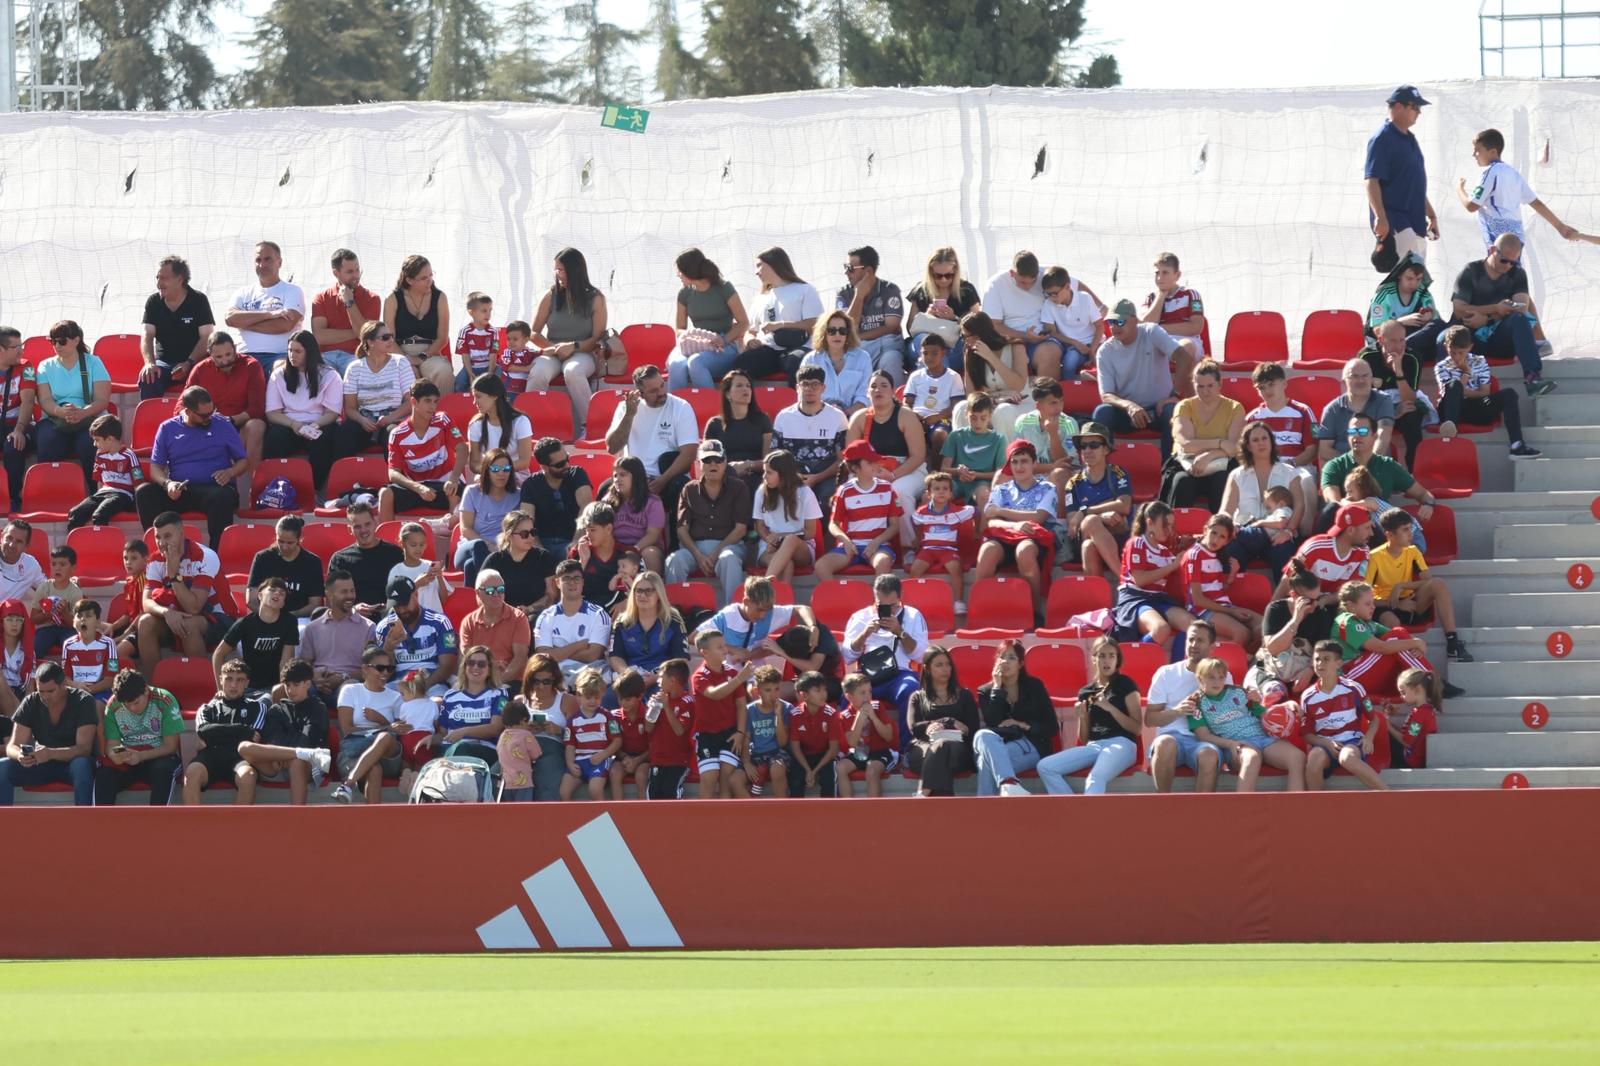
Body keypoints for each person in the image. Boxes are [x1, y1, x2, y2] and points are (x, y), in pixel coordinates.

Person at [134, 386, 247, 549]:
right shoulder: (167, 428)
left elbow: (243, 461)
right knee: (144, 492)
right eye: (204, 415)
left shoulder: (223, 424)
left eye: (212, 412)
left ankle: (216, 554)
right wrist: (167, 484)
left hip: (214, 489)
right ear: (187, 411)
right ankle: (157, 549)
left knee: (223, 498)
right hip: (181, 490)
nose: (210, 418)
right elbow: (156, 468)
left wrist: (230, 472)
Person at [1448, 233, 1558, 396]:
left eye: (1513, 262)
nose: (1508, 266)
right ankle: (1450, 390)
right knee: (1444, 337)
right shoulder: (1471, 271)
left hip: (1499, 340)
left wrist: (1487, 317)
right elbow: (1459, 309)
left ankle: (1533, 379)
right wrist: (1495, 308)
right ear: (1492, 250)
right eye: (1504, 260)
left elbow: (1521, 308)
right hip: (1470, 341)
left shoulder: (1517, 273)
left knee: (1519, 320)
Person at [1036, 636, 1143, 795]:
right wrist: (1082, 716)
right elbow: (1084, 738)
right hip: (1094, 745)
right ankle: (1073, 808)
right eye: (1102, 656)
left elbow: (1137, 728)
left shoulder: (1126, 683)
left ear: (1117, 660)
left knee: (1095, 777)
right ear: (1094, 659)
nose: (1107, 661)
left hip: (1122, 744)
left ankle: (1088, 811)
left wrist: (1110, 708)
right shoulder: (1085, 692)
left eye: (1111, 656)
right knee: (1045, 767)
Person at [133, 511, 234, 677]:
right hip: (178, 614)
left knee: (188, 624)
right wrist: (167, 613)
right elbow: (146, 602)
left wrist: (173, 575)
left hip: (220, 617)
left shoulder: (205, 556)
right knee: (145, 622)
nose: (162, 543)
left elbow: (194, 607)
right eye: (158, 537)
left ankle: (201, 683)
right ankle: (153, 686)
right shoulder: (155, 559)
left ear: (181, 533)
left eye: (167, 536)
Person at [1091, 300, 1195, 458]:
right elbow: (1106, 395)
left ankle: (1169, 467)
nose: (1115, 327)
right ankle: (1105, 468)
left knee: (1172, 411)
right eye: (1111, 322)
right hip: (1127, 413)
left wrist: (1174, 395)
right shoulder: (1105, 351)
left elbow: (1184, 358)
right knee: (1102, 413)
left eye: (1120, 321)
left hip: (1158, 409)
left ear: (1134, 320)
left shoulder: (1151, 332)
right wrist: (1129, 406)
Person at [1186, 656, 1306, 792]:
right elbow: (1204, 736)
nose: (1217, 682)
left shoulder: (1239, 692)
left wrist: (1285, 706)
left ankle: (1295, 804)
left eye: (1221, 677)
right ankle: (1242, 805)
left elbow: (1264, 714)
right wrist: (1231, 744)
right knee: (1252, 758)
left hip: (1263, 739)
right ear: (1200, 678)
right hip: (1236, 744)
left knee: (1297, 757)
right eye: (1211, 677)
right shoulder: (1196, 703)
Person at [1457, 126, 1579, 253]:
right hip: (1516, 235)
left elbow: (1471, 205)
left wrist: (1460, 189)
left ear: (1492, 151)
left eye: (1477, 150)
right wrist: (1560, 226)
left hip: (1498, 234)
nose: (1473, 155)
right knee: (1511, 266)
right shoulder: (1513, 173)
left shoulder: (1490, 172)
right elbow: (1535, 202)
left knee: (1497, 265)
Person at [527, 248, 614, 425]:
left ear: (575, 271)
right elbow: (533, 333)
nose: (556, 274)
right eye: (555, 269)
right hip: (552, 352)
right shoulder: (550, 295)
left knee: (573, 371)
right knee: (538, 373)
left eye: (561, 270)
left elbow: (597, 339)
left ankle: (590, 425)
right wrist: (554, 348)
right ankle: (530, 427)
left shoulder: (596, 298)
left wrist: (573, 347)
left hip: (583, 353)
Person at [975, 439, 1057, 614]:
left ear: (1034, 463)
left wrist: (1002, 511)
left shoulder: (1048, 488)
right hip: (1005, 537)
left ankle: (1034, 612)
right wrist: (1016, 525)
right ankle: (979, 610)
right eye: (1014, 462)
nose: (1019, 467)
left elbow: (1038, 517)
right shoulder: (1001, 489)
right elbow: (991, 520)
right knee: (987, 550)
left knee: (1024, 550)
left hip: (1034, 539)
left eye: (1024, 461)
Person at [605, 364, 699, 518]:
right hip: (633, 477)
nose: (661, 392)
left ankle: (676, 534)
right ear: (640, 394)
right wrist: (629, 415)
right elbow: (612, 447)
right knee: (605, 490)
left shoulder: (681, 407)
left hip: (668, 475)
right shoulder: (626, 408)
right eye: (653, 391)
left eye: (662, 385)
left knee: (680, 486)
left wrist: (662, 480)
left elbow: (689, 453)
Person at [1317, 413, 1437, 533]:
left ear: (1375, 436)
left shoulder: (1388, 465)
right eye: (1352, 431)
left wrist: (1428, 505)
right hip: (1349, 529)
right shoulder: (1334, 466)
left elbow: (1423, 494)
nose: (1357, 435)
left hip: (1380, 530)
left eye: (1363, 431)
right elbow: (1334, 504)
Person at [234, 658, 332, 805]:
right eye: (287, 685)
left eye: (296, 685)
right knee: (244, 747)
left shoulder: (318, 708)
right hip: (277, 763)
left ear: (307, 684)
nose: (291, 690)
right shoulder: (277, 709)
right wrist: (283, 753)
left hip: (308, 764)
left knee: (297, 761)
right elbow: (273, 738)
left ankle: (297, 815)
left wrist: (284, 753)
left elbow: (309, 739)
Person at [842, 573, 928, 740]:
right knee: (848, 691)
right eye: (881, 605)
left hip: (900, 673)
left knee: (911, 690)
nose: (888, 610)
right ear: (874, 597)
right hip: (868, 675)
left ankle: (907, 747)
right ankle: (849, 748)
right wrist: (864, 634)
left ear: (900, 597)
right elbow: (847, 656)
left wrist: (900, 632)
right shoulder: (860, 617)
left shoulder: (913, 615)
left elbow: (921, 656)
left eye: (893, 606)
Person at [665, 439, 751, 604]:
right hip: (694, 548)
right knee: (674, 560)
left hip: (728, 546)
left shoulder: (738, 487)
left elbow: (740, 529)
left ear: (725, 462)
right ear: (699, 463)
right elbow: (682, 530)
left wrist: (715, 553)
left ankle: (733, 612)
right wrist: (698, 556)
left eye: (718, 459)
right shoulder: (689, 489)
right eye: (707, 460)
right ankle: (673, 613)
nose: (713, 464)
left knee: (729, 559)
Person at [1145, 619, 1227, 792]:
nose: (1193, 645)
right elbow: (1150, 719)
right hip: (1171, 736)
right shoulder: (1166, 673)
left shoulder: (1223, 676)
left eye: (1200, 640)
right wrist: (1177, 711)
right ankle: (1163, 803)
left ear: (1212, 647)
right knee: (1165, 744)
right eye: (1190, 639)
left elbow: (1228, 716)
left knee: (1209, 755)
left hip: (1204, 741)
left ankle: (1200, 809)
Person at [1435, 324, 1539, 458]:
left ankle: (1517, 445)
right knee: (1454, 385)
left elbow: (1485, 392)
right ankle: (1450, 437)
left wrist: (1465, 389)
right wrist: (1466, 373)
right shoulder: (1441, 366)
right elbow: (1451, 395)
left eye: (1461, 352)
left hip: (1476, 406)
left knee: (1509, 393)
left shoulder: (1479, 361)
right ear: (1446, 346)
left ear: (1470, 347)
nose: (1456, 357)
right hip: (1451, 410)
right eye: (1452, 352)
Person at [0, 662, 98, 805]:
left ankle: (84, 817)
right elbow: (12, 746)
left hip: (72, 764)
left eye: (50, 691)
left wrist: (51, 753)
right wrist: (20, 756)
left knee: (81, 764)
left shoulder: (84, 701)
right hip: (42, 763)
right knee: (2, 767)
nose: (45, 697)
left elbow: (84, 749)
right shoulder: (31, 702)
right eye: (41, 691)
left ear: (63, 685)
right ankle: (4, 818)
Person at [848, 370, 929, 540]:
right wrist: (870, 473)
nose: (878, 390)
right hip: (869, 468)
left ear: (893, 391)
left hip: (908, 468)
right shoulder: (859, 418)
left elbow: (918, 456)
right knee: (851, 487)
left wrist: (892, 475)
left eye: (884, 386)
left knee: (899, 490)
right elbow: (851, 457)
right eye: (874, 386)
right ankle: (857, 542)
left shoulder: (906, 415)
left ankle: (908, 545)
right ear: (867, 392)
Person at [971, 639, 1056, 796]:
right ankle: (1009, 784)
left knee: (986, 761)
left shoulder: (1034, 686)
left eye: (1011, 657)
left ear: (1020, 664)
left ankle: (985, 808)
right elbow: (993, 722)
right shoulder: (986, 691)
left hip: (1032, 745)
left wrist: (1022, 725)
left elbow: (1052, 727)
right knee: (982, 736)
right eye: (1002, 657)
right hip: (1000, 745)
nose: (1005, 661)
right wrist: (997, 688)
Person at [182, 331, 267, 488]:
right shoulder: (200, 369)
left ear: (235, 349)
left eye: (229, 354)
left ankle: (255, 487)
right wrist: (199, 420)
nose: (225, 361)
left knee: (257, 425)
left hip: (239, 425)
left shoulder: (251, 365)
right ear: (210, 354)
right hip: (207, 424)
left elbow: (257, 408)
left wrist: (230, 420)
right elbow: (183, 404)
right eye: (219, 357)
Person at [1301, 639, 1388, 792]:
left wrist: (1368, 738)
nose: (1320, 663)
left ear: (1339, 663)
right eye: (1317, 659)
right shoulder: (1308, 696)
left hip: (1351, 741)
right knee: (1313, 760)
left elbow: (1374, 719)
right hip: (1324, 744)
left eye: (1326, 659)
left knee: (1347, 758)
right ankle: (1317, 805)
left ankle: (1388, 794)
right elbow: (1307, 735)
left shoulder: (1354, 688)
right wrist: (1327, 743)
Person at [179, 658, 270, 805]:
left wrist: (216, 733)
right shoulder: (207, 708)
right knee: (191, 773)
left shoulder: (258, 707)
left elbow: (253, 738)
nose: (233, 685)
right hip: (210, 756)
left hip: (239, 757)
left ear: (247, 683)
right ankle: (193, 820)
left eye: (239, 680)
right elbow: (204, 731)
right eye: (229, 679)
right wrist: (241, 729)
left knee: (248, 776)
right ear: (221, 680)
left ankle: (237, 821)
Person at [1364, 85, 1439, 262]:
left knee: (1416, 276)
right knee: (1405, 275)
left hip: (1416, 223)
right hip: (1396, 221)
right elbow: (1371, 180)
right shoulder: (1382, 138)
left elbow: (1414, 184)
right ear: (1398, 106)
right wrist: (1380, 217)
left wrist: (1431, 215)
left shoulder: (1410, 139)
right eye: (1415, 106)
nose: (1419, 112)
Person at [1220, 421, 1306, 573]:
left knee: (1284, 553)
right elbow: (1226, 511)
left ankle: (1284, 589)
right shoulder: (1237, 475)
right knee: (1229, 551)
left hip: (1279, 533)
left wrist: (1288, 532)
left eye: (1264, 438)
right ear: (1248, 446)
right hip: (1246, 534)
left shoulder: (1290, 472)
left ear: (1271, 442)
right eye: (1255, 440)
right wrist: (1229, 527)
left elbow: (1299, 505)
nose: (1261, 443)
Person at [262, 329, 344, 488]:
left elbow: (332, 413)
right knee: (274, 438)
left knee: (324, 440)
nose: (292, 355)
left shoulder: (329, 375)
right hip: (289, 424)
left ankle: (314, 489)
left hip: (319, 423)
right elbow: (272, 413)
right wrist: (294, 425)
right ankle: (275, 488)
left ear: (310, 352)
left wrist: (314, 425)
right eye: (290, 350)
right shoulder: (278, 375)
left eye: (298, 351)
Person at [730, 246, 823, 382]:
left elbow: (815, 325)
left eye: (759, 266)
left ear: (774, 264)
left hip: (798, 347)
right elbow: (750, 331)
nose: (756, 272)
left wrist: (780, 325)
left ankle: (798, 396)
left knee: (798, 363)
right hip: (768, 349)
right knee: (741, 364)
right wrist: (749, 341)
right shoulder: (761, 298)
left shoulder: (805, 290)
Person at [1244, 362, 1319, 529]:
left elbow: (1312, 450)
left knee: (1306, 481)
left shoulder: (1303, 411)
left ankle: (1305, 533)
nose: (1267, 391)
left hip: (1297, 466)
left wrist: (1291, 464)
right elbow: (1247, 454)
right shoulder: (1252, 418)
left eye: (1271, 384)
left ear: (1284, 384)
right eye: (1261, 387)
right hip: (1266, 468)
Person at [1114, 501, 1195, 653]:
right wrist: (1172, 566)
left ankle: (1178, 665)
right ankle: (1132, 659)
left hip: (1159, 599)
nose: (1169, 530)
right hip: (1135, 599)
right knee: (1161, 629)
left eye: (1171, 525)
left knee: (1194, 627)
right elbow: (1140, 580)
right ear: (1150, 522)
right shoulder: (1136, 543)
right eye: (1165, 525)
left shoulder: (1164, 551)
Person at [814, 439, 900, 580]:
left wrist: (876, 542)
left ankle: (879, 595)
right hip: (850, 547)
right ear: (855, 468)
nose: (876, 464)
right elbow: (833, 524)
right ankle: (838, 595)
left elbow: (895, 526)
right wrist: (846, 541)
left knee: (883, 563)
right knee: (821, 566)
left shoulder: (887, 488)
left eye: (875, 460)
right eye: (870, 462)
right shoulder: (844, 490)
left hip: (879, 546)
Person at [380, 380, 466, 521]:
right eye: (427, 401)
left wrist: (454, 479)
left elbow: (462, 448)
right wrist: (418, 488)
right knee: (385, 494)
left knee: (454, 491)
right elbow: (393, 473)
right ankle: (386, 535)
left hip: (445, 483)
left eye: (435, 402)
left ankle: (451, 531)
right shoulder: (397, 434)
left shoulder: (443, 419)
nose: (433, 407)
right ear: (414, 402)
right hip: (416, 487)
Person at [95, 668, 184, 806]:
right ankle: (102, 820)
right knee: (104, 774)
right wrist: (116, 754)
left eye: (136, 702)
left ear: (146, 690)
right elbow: (112, 744)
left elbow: (170, 746)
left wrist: (141, 756)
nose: (132, 708)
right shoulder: (113, 704)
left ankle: (158, 818)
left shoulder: (165, 700)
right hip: (128, 758)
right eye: (126, 704)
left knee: (163, 770)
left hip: (158, 756)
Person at [330, 646, 406, 804]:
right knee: (374, 768)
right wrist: (385, 727)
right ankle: (373, 817)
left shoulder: (396, 697)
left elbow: (399, 730)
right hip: (354, 751)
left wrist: (381, 721)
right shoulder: (350, 691)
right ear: (365, 669)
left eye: (389, 668)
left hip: (388, 755)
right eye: (380, 668)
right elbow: (347, 730)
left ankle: (347, 785)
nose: (385, 673)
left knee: (385, 737)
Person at [667, 247, 750, 389]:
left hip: (724, 346)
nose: (678, 275)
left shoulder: (724, 288)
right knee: (676, 365)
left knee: (696, 362)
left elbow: (744, 323)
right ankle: (675, 403)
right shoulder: (684, 293)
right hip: (696, 344)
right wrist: (691, 337)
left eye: (680, 271)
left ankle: (711, 403)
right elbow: (680, 328)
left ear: (690, 271)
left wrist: (723, 340)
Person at [771, 364, 849, 513]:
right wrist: (794, 475)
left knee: (829, 498)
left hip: (826, 474)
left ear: (823, 388)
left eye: (815, 384)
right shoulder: (784, 417)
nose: (809, 389)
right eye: (805, 384)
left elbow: (842, 460)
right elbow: (775, 456)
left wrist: (817, 477)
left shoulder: (837, 417)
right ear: (797, 387)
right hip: (792, 473)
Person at [34, 320, 112, 470]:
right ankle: (46, 482)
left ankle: (95, 484)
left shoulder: (94, 362)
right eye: (53, 341)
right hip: (54, 418)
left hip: (90, 416)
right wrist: (60, 411)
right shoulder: (45, 366)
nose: (57, 346)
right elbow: (45, 399)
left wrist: (83, 412)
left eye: (62, 341)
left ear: (76, 340)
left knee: (89, 443)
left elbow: (102, 400)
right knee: (48, 440)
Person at [1167, 360, 1244, 508]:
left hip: (1221, 464)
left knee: (1223, 480)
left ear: (1219, 384)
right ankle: (1180, 522)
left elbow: (1233, 448)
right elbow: (1186, 444)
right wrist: (1220, 443)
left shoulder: (1235, 408)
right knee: (1182, 481)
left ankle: (1222, 522)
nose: (1205, 391)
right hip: (1186, 463)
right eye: (1200, 386)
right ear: (1193, 385)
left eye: (1210, 386)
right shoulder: (1184, 406)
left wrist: (1208, 456)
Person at [905, 644, 979, 797]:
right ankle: (936, 803)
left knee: (942, 745)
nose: (945, 669)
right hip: (923, 749)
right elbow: (914, 728)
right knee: (939, 757)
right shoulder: (917, 697)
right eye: (939, 665)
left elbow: (973, 728)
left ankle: (922, 794)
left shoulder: (964, 696)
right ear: (927, 668)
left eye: (948, 664)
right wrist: (947, 722)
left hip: (957, 751)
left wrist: (946, 725)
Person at [980, 251, 1066, 381]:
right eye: (1023, 282)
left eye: (1033, 282)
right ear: (1012, 273)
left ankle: (1047, 393)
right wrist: (1025, 336)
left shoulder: (1045, 274)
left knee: (1051, 352)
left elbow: (1073, 284)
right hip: (1008, 340)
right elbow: (993, 325)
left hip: (1041, 340)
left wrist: (1098, 305)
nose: (1028, 286)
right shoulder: (995, 284)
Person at [1360, 319, 1433, 470]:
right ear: (1381, 340)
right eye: (1393, 341)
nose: (1399, 346)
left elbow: (1410, 398)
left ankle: (1414, 472)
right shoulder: (1366, 357)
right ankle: (1373, 471)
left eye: (1402, 340)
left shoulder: (1413, 358)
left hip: (1403, 403)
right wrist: (1392, 413)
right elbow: (1361, 398)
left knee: (1412, 416)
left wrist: (1398, 370)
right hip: (1376, 407)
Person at [1063, 422, 1133, 578]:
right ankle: (1125, 579)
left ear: (1106, 449)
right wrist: (1100, 516)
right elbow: (1073, 524)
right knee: (1091, 522)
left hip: (1117, 536)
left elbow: (1124, 506)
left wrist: (1086, 511)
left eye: (1094, 445)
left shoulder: (1118, 473)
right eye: (1083, 446)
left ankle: (1101, 593)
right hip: (1083, 536)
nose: (1087, 450)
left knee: (1089, 546)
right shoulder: (1073, 483)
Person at [140, 254, 216, 399]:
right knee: (148, 378)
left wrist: (189, 363)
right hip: (164, 362)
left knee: (207, 376)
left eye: (164, 278)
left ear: (180, 279)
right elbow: (146, 335)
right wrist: (149, 363)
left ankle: (199, 414)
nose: (159, 283)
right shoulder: (154, 301)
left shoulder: (198, 300)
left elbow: (207, 337)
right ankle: (152, 414)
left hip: (194, 361)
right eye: (157, 278)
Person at [224, 240, 305, 375]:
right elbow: (230, 319)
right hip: (244, 356)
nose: (262, 264)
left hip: (278, 356)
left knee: (283, 371)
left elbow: (284, 325)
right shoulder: (242, 293)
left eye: (267, 259)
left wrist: (244, 322)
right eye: (258, 260)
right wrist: (269, 315)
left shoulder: (293, 291)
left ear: (279, 262)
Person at [688, 628, 751, 799]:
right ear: (704, 653)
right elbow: (714, 694)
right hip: (706, 735)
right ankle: (705, 815)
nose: (725, 650)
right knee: (709, 778)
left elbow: (741, 705)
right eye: (719, 647)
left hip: (730, 734)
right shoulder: (699, 676)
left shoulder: (732, 673)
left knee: (726, 777)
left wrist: (740, 732)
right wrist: (739, 679)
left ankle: (725, 816)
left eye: (724, 645)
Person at [337, 320, 416, 457]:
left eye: (391, 336)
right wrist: (362, 420)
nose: (391, 340)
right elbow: (350, 408)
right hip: (364, 420)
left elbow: (412, 401)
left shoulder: (400, 363)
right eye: (385, 337)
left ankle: (394, 471)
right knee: (343, 435)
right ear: (370, 342)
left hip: (392, 419)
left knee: (393, 435)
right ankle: (340, 470)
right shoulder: (354, 368)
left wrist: (390, 418)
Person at [1182, 513, 1260, 646]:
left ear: (1227, 541)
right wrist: (1231, 611)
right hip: (1201, 610)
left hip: (1222, 606)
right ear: (1205, 530)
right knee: (1242, 634)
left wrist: (1232, 574)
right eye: (1213, 533)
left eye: (1222, 537)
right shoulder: (1194, 555)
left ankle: (1251, 658)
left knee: (1263, 626)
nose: (1216, 539)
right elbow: (1197, 599)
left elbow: (1219, 590)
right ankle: (1220, 658)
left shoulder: (1218, 556)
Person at [299, 568, 373, 705]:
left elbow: (371, 668)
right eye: (344, 592)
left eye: (352, 591)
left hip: (348, 684)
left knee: (349, 688)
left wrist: (343, 677)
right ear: (329, 594)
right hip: (316, 685)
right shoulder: (312, 628)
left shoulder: (368, 627)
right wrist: (314, 676)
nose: (350, 596)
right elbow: (304, 664)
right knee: (298, 688)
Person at [376, 576, 459, 697]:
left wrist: (420, 688)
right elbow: (380, 675)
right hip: (396, 685)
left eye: (405, 604)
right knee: (379, 702)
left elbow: (448, 665)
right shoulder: (384, 628)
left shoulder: (440, 622)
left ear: (416, 594)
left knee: (437, 703)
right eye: (397, 606)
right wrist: (388, 650)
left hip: (432, 683)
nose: (402, 610)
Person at [383, 254, 454, 394]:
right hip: (400, 352)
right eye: (423, 278)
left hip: (430, 352)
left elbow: (442, 338)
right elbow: (389, 339)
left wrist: (422, 357)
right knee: (406, 375)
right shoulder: (392, 298)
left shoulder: (440, 297)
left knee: (443, 371)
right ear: (409, 280)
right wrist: (406, 361)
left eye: (431, 275)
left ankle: (442, 408)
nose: (430, 281)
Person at [904, 246, 981, 374]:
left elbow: (979, 326)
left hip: (954, 348)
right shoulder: (921, 291)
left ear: (955, 271)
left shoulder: (966, 290)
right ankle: (941, 379)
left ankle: (932, 380)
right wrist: (926, 317)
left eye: (948, 275)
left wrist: (954, 318)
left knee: (935, 353)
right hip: (923, 347)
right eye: (938, 276)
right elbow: (910, 328)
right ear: (930, 273)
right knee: (921, 340)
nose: (943, 279)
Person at [837, 245, 907, 384]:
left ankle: (895, 398)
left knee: (891, 358)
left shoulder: (889, 289)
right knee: (851, 359)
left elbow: (892, 326)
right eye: (845, 267)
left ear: (868, 271)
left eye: (850, 268)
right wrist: (859, 296)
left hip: (885, 345)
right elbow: (847, 328)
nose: (846, 272)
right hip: (859, 347)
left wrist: (858, 337)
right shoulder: (844, 293)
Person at [214, 576, 297, 695]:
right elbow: (218, 654)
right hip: (248, 687)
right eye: (272, 589)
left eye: (282, 593)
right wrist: (221, 690)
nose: (277, 593)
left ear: (283, 603)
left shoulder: (290, 621)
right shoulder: (245, 623)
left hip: (273, 688)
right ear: (260, 595)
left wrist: (282, 690)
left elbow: (285, 660)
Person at [606, 571, 687, 690]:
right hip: (631, 679)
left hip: (665, 678)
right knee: (607, 698)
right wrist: (630, 675)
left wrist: (656, 677)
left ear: (658, 594)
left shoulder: (674, 621)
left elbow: (681, 659)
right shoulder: (621, 623)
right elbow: (615, 656)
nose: (642, 595)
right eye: (638, 591)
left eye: (648, 591)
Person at [908, 471, 975, 614]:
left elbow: (976, 512)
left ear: (951, 493)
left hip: (948, 550)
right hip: (928, 549)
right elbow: (915, 522)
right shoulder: (921, 512)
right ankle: (913, 601)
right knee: (915, 569)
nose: (941, 492)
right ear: (928, 493)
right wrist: (918, 539)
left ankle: (958, 602)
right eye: (937, 489)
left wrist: (978, 531)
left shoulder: (957, 511)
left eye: (945, 489)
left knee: (955, 568)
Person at [533, 559, 610, 682]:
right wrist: (579, 645)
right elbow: (543, 656)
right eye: (566, 578)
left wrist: (558, 652)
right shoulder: (546, 617)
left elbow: (593, 655)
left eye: (576, 578)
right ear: (557, 582)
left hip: (590, 677)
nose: (572, 583)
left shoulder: (598, 614)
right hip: (556, 677)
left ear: (583, 582)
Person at [951, 312, 1028, 434]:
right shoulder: (970, 353)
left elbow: (1019, 385)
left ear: (981, 333)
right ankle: (964, 446)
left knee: (1003, 412)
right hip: (990, 402)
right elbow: (971, 394)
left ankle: (1007, 447)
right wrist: (996, 401)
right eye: (963, 336)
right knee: (961, 407)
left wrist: (990, 357)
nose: (965, 341)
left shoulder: (1015, 347)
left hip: (1019, 402)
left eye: (968, 336)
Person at [752, 449, 822, 582]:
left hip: (801, 547)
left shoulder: (805, 493)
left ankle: (764, 585)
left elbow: (810, 532)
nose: (764, 477)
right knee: (786, 564)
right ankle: (783, 595)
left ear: (784, 474)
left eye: (769, 472)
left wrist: (781, 537)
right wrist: (770, 541)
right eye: (764, 472)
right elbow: (760, 526)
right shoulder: (762, 491)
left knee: (790, 540)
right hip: (769, 545)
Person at [456, 447, 523, 588]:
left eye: (506, 469)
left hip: (501, 550)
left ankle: (480, 597)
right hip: (470, 547)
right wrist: (489, 546)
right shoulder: (472, 492)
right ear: (487, 470)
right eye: (495, 469)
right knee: (478, 547)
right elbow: (465, 529)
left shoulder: (517, 495)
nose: (501, 473)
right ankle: (493, 589)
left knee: (470, 566)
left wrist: (500, 547)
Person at [328, 501, 406, 619]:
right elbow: (332, 599)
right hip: (352, 619)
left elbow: (406, 592)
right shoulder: (340, 559)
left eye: (367, 524)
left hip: (390, 618)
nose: (363, 530)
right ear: (350, 530)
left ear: (375, 523)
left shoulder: (395, 553)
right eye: (357, 526)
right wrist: (353, 609)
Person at [309, 247, 381, 375]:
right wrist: (356, 331)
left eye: (357, 270)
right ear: (336, 273)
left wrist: (349, 302)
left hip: (355, 356)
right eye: (350, 272)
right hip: (325, 356)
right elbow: (320, 337)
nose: (356, 276)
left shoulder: (372, 298)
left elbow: (365, 335)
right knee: (315, 375)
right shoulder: (321, 298)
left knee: (357, 373)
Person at [702, 369, 772, 496]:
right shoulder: (715, 424)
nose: (746, 389)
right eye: (739, 385)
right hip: (724, 476)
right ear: (728, 394)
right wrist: (731, 468)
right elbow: (707, 462)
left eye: (748, 386)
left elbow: (769, 461)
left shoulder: (763, 420)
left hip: (757, 476)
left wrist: (747, 465)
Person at [1316, 357, 1397, 465]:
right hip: (1344, 467)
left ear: (1372, 379)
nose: (1361, 380)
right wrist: (1354, 463)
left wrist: (1369, 464)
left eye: (1365, 376)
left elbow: (1383, 435)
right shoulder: (1332, 409)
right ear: (1344, 382)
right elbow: (1324, 450)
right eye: (1354, 376)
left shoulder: (1383, 401)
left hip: (1377, 465)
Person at [520, 437, 594, 556]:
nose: (567, 465)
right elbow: (527, 521)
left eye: (567, 459)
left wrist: (576, 541)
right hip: (543, 542)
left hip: (574, 539)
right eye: (560, 464)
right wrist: (539, 551)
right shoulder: (530, 485)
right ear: (544, 467)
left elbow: (586, 507)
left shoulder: (577, 474)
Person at [461, 568, 532, 685]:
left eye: (500, 589)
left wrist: (497, 682)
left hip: (510, 681)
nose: (496, 594)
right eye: (490, 591)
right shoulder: (469, 622)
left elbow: (520, 658)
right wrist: (491, 665)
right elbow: (468, 658)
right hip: (478, 681)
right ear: (478, 593)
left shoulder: (518, 618)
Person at [833, 671, 898, 798]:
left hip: (881, 752)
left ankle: (872, 808)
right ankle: (848, 806)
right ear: (849, 697)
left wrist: (873, 717)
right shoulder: (844, 716)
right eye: (862, 693)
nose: (868, 696)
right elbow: (852, 743)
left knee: (871, 770)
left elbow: (888, 736)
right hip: (859, 753)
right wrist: (859, 719)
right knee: (840, 768)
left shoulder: (877, 707)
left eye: (869, 692)